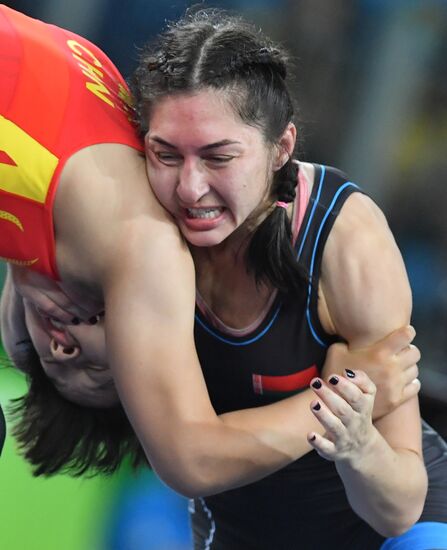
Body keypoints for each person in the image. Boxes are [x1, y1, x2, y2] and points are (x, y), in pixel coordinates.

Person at [0, 4, 420, 491]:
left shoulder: (120, 161)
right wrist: (337, 402)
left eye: (51, 356)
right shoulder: (141, 239)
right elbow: (192, 459)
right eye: (99, 359)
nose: (60, 341)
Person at [130, 8, 447, 549]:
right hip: (243, 530)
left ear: (282, 148)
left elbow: (397, 509)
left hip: (389, 527)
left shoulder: (346, 239)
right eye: (165, 155)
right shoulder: (131, 222)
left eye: (219, 157)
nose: (189, 187)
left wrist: (356, 443)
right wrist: (324, 414)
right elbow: (187, 461)